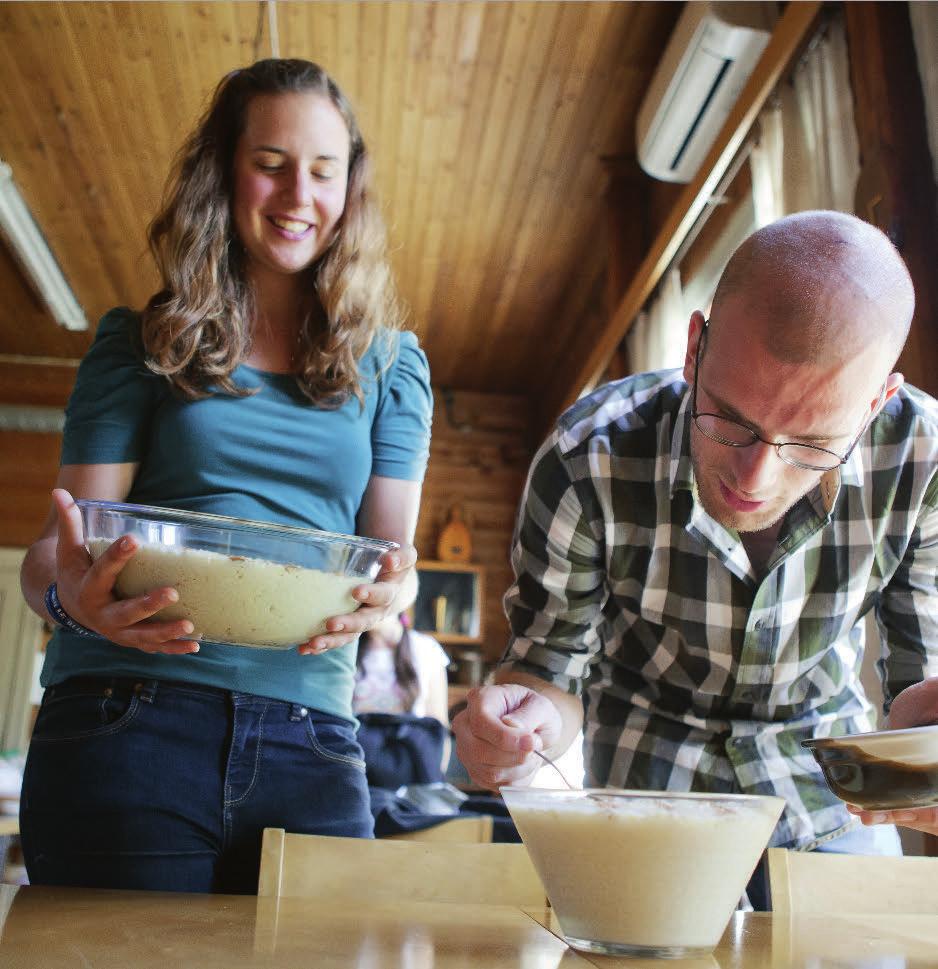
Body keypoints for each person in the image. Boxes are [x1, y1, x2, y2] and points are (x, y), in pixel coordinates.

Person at [18, 58, 432, 895]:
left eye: (324, 171)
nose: (297, 195)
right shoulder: (142, 340)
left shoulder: (393, 366)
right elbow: (53, 553)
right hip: (126, 717)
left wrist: (396, 589)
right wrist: (70, 598)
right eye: (270, 163)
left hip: (314, 739)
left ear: (350, 188)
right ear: (224, 171)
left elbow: (392, 559)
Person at [453, 211, 938, 906]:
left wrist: (925, 751)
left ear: (876, 403)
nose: (754, 477)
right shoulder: (588, 456)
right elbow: (547, 668)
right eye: (731, 419)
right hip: (643, 809)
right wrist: (519, 722)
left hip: (829, 809)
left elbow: (919, 687)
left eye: (810, 442)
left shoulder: (923, 463)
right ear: (694, 348)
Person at [352, 611, 452, 785]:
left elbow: (438, 724)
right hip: (359, 764)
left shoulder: (425, 648)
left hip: (412, 764)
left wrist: (435, 780)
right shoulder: (347, 650)